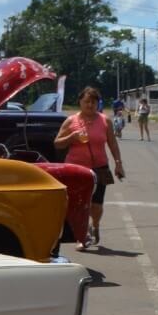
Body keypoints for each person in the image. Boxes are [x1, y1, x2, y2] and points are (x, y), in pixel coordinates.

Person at [54, 85, 125, 250]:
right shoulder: (71, 121)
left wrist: (118, 163)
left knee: (96, 205)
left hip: (99, 166)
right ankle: (82, 236)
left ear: (98, 104)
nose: (90, 105)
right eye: (86, 102)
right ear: (80, 102)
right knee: (78, 204)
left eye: (93, 102)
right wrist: (72, 137)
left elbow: (112, 143)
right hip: (76, 169)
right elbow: (57, 143)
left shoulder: (104, 120)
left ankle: (96, 225)